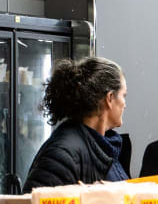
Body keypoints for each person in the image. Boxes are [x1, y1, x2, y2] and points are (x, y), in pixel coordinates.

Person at [23, 57, 129, 191]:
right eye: (123, 96)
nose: (125, 104)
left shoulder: (104, 147)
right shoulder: (63, 153)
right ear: (109, 98)